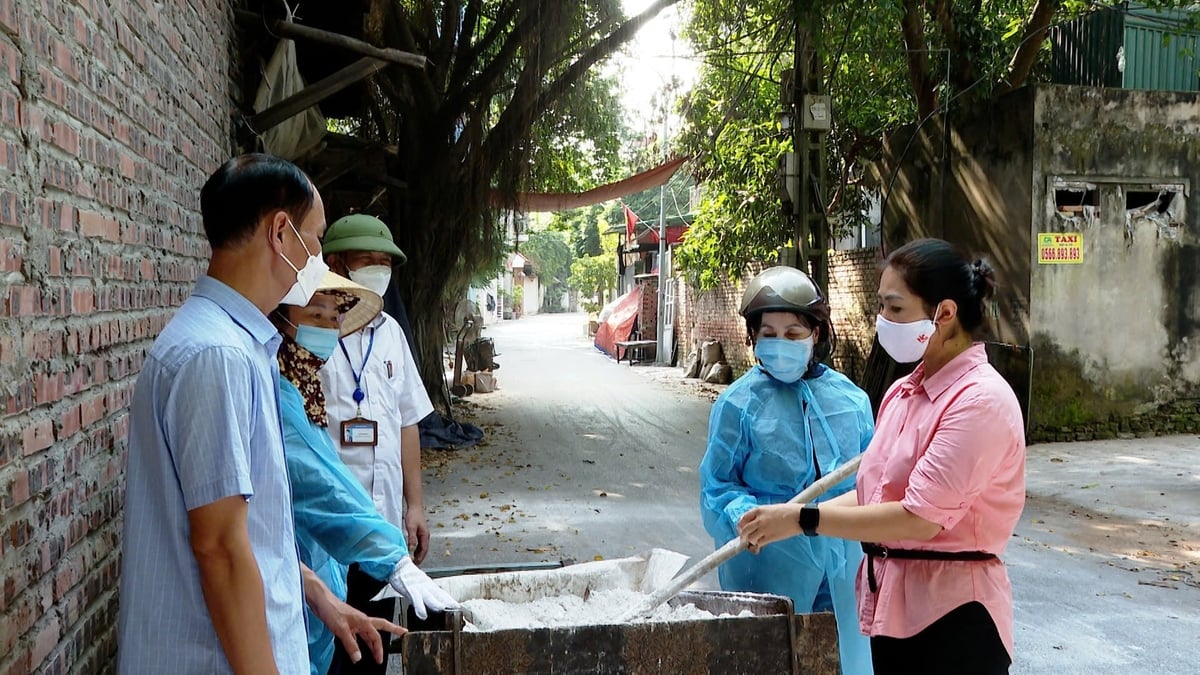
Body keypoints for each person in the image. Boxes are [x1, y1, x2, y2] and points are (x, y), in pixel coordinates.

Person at [118, 154, 393, 674]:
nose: (319, 261)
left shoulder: (239, 348)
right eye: (315, 242)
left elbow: (255, 530)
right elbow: (220, 549)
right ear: (281, 233)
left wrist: (313, 591)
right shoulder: (215, 356)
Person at [739, 238, 1025, 674]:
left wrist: (804, 520)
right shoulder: (904, 392)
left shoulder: (979, 401)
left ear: (944, 314)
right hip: (891, 609)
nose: (882, 321)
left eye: (895, 309)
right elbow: (873, 493)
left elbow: (918, 517)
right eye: (881, 307)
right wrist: (790, 518)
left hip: (953, 618)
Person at [271, 271, 458, 675]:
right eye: (315, 314)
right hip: (306, 571)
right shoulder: (275, 388)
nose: (326, 328)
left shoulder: (305, 390)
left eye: (332, 318)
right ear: (280, 317)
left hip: (334, 555)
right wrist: (392, 555)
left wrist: (413, 507)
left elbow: (407, 419)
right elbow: (320, 485)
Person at [699, 266, 874, 675]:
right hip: (771, 562)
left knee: (846, 657)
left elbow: (875, 482)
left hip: (845, 563)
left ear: (817, 334)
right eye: (769, 334)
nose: (781, 344)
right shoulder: (736, 405)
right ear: (753, 338)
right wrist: (743, 515)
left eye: (794, 334)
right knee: (772, 658)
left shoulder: (853, 401)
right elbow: (718, 485)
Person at [317, 214, 435, 669]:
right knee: (329, 649)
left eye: (385, 264)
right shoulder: (311, 329)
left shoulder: (390, 334)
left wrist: (415, 505)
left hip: (381, 524)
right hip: (326, 529)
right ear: (336, 263)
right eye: (368, 261)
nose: (378, 272)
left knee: (374, 647)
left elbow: (408, 422)